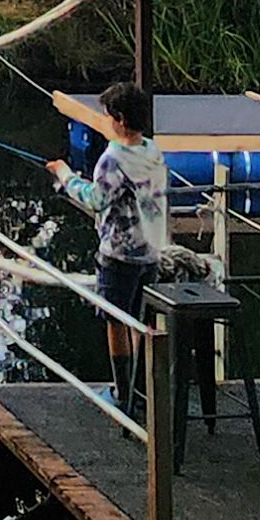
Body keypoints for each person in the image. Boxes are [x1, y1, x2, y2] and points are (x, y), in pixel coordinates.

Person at [57, 81, 213, 398]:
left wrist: (64, 175)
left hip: (119, 254)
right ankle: (144, 390)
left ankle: (123, 392)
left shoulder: (112, 159)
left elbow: (95, 199)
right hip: (151, 252)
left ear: (120, 119)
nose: (105, 121)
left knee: (115, 320)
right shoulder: (152, 151)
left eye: (107, 116)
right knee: (141, 319)